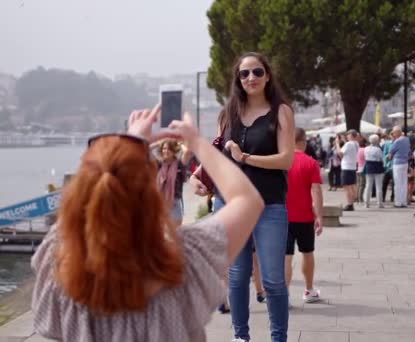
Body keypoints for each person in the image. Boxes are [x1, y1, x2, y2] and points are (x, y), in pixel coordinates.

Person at [31, 105, 265, 341]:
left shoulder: (59, 263)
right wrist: (196, 141)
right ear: (152, 195)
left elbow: (77, 214)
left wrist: (130, 144)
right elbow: (247, 199)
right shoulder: (186, 259)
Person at [190, 52, 294, 342]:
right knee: (236, 277)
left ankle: (278, 338)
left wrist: (246, 157)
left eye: (257, 72)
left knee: (272, 280)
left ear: (268, 76)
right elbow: (217, 151)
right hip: (230, 203)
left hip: (269, 204)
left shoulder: (281, 112)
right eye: (244, 73)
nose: (251, 78)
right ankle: (241, 337)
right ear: (238, 79)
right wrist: (198, 175)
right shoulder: (228, 113)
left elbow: (286, 160)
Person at [284, 128, 324, 304]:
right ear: (304, 142)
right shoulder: (310, 163)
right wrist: (319, 216)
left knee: (285, 256)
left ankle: (283, 295)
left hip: (282, 216)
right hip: (305, 216)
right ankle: (308, 291)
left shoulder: (281, 161)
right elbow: (316, 190)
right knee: (307, 253)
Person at [156, 139, 192, 226]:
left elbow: (187, 152)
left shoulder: (179, 164)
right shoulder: (159, 164)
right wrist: (157, 144)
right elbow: (145, 150)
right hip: (159, 204)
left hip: (174, 204)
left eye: (169, 149)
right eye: (164, 148)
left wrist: (180, 144)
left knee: (176, 234)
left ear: (173, 151)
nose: (166, 151)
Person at [388, 126, 411, 208]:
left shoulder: (397, 141)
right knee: (404, 182)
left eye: (393, 132)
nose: (393, 134)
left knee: (398, 183)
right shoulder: (406, 139)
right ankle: (404, 201)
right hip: (405, 162)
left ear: (397, 132)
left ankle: (398, 202)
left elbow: (390, 152)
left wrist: (392, 139)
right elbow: (409, 151)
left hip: (397, 163)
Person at [336, 130, 359, 211]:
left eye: (348, 135)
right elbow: (348, 149)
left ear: (351, 136)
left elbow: (340, 153)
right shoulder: (356, 143)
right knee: (351, 185)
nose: (346, 136)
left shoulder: (348, 144)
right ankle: (352, 201)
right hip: (352, 166)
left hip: (346, 167)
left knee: (347, 187)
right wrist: (344, 140)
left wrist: (337, 143)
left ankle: (350, 204)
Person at [363, 134, 385, 208]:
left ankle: (366, 203)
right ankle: (379, 203)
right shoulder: (378, 149)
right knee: (379, 186)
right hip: (377, 166)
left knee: (368, 185)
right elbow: (381, 158)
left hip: (369, 166)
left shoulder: (366, 149)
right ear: (377, 141)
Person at [356, 136, 367, 203]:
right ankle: (360, 198)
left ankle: (357, 197)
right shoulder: (365, 150)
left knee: (358, 184)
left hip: (358, 168)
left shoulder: (357, 150)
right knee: (362, 184)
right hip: (363, 168)